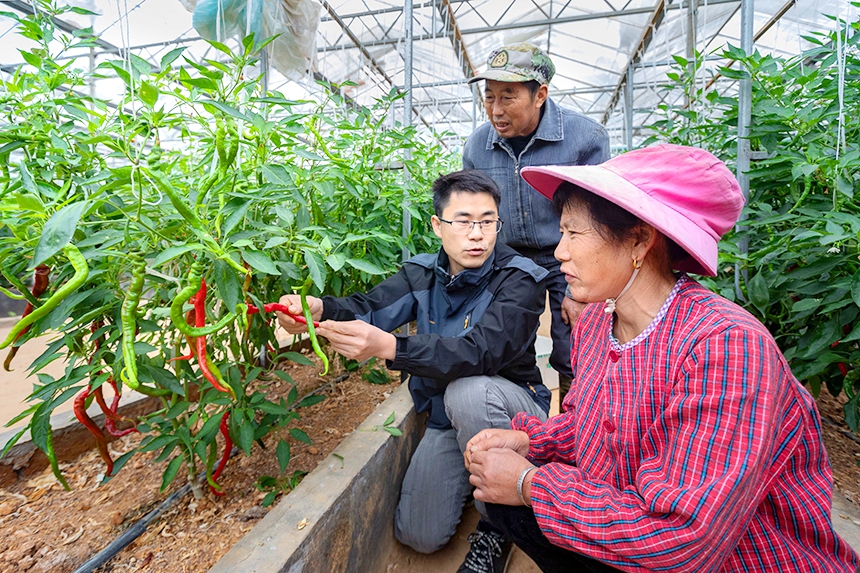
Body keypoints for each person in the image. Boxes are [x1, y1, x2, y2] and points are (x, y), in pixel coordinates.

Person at [463, 144, 860, 572]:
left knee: (522, 500)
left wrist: (530, 482)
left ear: (639, 241)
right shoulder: (599, 320)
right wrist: (532, 442)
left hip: (737, 559)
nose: (560, 251)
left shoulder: (725, 347)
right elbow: (592, 424)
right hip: (633, 520)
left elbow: (683, 538)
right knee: (505, 505)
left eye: (573, 233)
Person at [277, 169, 551, 573]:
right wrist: (319, 309)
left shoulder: (518, 280)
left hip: (513, 411)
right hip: (445, 415)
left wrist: (390, 346)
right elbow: (370, 307)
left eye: (488, 221)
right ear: (438, 226)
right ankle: (473, 472)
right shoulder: (421, 273)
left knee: (469, 390)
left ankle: (499, 527)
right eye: (463, 221)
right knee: (420, 535)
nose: (477, 234)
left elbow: (478, 354)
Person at [463, 42, 610, 404]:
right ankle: (528, 426)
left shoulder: (584, 139)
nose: (496, 110)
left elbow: (597, 220)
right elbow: (474, 215)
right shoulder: (477, 146)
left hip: (568, 258)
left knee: (576, 349)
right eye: (489, 97)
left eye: (508, 97)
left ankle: (576, 429)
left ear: (540, 94)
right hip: (509, 259)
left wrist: (583, 292)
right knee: (509, 349)